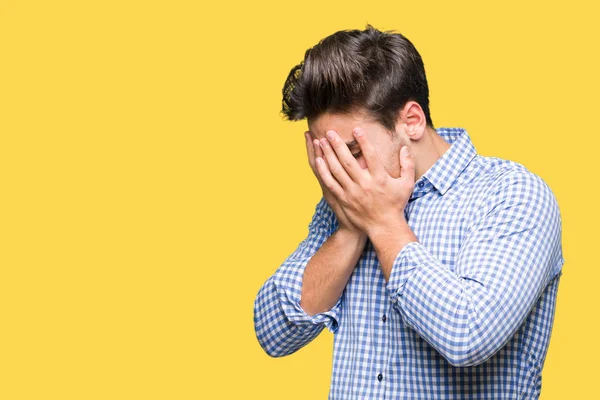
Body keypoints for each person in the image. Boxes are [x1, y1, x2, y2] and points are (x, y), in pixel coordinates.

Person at [253, 24, 564, 399]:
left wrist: (383, 224)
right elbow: (274, 329)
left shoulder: (512, 194)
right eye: (327, 159)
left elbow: (468, 333)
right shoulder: (348, 204)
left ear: (412, 121)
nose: (338, 174)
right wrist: (351, 230)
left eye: (350, 154)